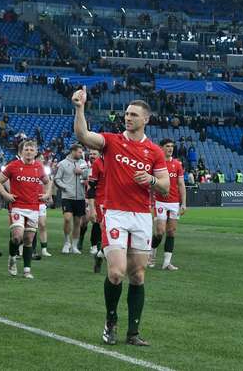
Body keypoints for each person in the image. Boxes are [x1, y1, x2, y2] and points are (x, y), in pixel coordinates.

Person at [71, 87, 170, 346]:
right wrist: (80, 108)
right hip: (115, 213)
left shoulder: (154, 152)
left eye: (134, 115)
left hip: (140, 216)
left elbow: (165, 186)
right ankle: (110, 321)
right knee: (116, 272)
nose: (128, 118)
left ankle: (133, 332)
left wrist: (150, 179)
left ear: (146, 119)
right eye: (126, 114)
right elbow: (82, 134)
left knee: (137, 275)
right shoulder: (112, 141)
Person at [0, 140, 52, 279]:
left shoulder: (39, 167)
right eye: (26, 149)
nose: (29, 152)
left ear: (36, 152)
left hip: (33, 208)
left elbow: (49, 182)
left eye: (32, 150)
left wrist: (47, 194)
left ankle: (27, 270)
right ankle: (12, 258)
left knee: (28, 239)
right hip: (17, 207)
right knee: (17, 236)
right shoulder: (13, 166)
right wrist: (6, 195)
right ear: (21, 152)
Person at [150, 138, 186, 271]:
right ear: (161, 148)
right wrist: (160, 190)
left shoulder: (177, 164)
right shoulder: (157, 164)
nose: (170, 148)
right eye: (167, 146)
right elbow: (151, 183)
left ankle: (166, 262)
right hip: (160, 202)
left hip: (174, 202)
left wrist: (184, 203)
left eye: (172, 146)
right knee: (160, 232)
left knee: (171, 232)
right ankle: (151, 255)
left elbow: (181, 184)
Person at [54, 144, 89, 254]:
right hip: (67, 196)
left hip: (80, 197)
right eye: (79, 152)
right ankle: (66, 242)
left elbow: (87, 177)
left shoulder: (83, 163)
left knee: (78, 222)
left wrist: (82, 172)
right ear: (72, 151)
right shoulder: (63, 164)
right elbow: (57, 179)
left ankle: (74, 245)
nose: (81, 154)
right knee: (67, 219)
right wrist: (65, 187)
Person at [87, 150, 106, 273]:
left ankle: (100, 255)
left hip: (118, 200)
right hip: (102, 201)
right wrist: (92, 208)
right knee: (106, 229)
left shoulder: (118, 161)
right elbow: (91, 188)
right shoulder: (98, 163)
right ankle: (101, 253)